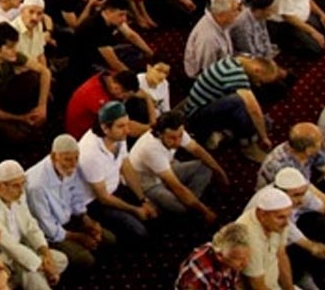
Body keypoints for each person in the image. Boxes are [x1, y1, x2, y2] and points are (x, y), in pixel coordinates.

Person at [0, 160, 68, 290]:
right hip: (0, 257)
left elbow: (30, 225)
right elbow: (10, 247)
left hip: (22, 247)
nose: (21, 191)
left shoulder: (17, 193)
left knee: (60, 260)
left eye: (23, 184)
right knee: (31, 272)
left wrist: (46, 254)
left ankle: (16, 281)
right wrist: (42, 267)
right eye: (16, 186)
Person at [24, 134, 112, 273]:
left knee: (109, 240)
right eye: (68, 159)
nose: (74, 164)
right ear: (54, 157)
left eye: (76, 158)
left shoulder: (70, 167)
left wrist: (85, 219)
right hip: (49, 235)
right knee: (86, 260)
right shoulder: (37, 186)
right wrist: (78, 237)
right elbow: (48, 228)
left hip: (68, 221)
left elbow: (75, 195)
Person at [77, 101, 157, 244]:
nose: (127, 130)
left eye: (127, 124)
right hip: (94, 202)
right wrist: (135, 209)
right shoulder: (90, 153)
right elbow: (103, 197)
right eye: (121, 126)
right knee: (139, 232)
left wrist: (142, 199)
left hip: (115, 188)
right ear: (105, 128)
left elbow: (126, 167)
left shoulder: (118, 136)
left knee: (154, 211)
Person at [128, 111, 226, 223]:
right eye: (172, 138)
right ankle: (184, 204)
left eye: (180, 136)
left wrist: (220, 172)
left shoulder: (177, 132)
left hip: (167, 168)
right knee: (182, 208)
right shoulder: (151, 149)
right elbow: (177, 187)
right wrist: (205, 211)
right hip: (149, 184)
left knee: (206, 167)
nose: (178, 142)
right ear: (160, 134)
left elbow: (197, 150)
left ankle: (191, 201)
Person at [183, 55, 280, 162]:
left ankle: (224, 134)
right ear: (257, 71)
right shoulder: (234, 73)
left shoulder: (245, 58)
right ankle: (248, 146)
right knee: (239, 102)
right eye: (260, 81)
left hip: (212, 105)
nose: (258, 84)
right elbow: (254, 110)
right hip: (196, 117)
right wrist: (264, 137)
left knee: (264, 121)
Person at [235, 187, 294, 290]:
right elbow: (256, 284)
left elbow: (281, 255)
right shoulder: (247, 235)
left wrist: (290, 288)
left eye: (288, 216)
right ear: (262, 214)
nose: (286, 223)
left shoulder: (280, 224)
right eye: (281, 217)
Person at [174, 222, 253, 290]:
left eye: (248, 256)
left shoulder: (228, 253)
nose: (246, 263)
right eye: (240, 259)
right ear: (219, 255)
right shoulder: (199, 275)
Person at [183, 0, 241, 79]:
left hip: (224, 67)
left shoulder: (220, 22)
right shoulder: (208, 38)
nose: (238, 14)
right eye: (234, 11)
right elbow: (208, 72)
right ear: (221, 15)